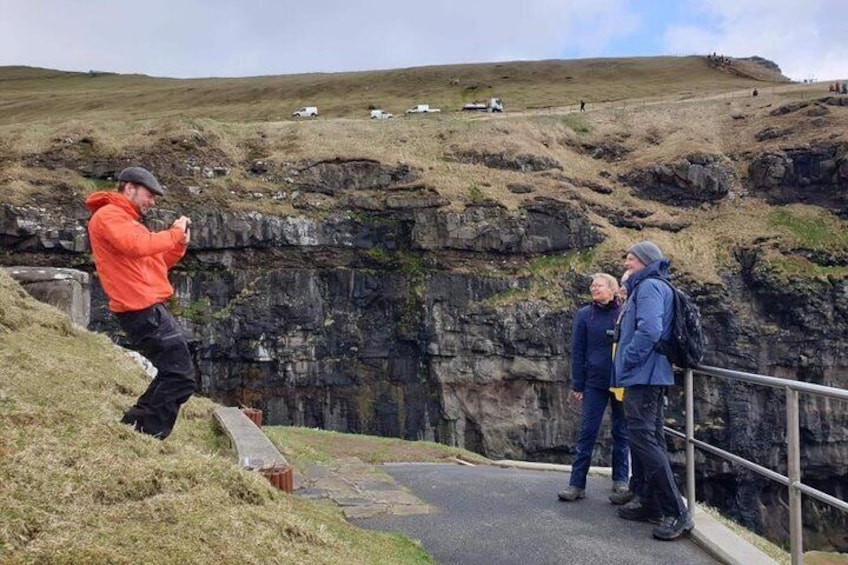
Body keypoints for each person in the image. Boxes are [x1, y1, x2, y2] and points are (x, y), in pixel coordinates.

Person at [86, 166, 196, 440]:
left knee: (175, 372)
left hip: (149, 309)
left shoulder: (126, 221)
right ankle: (146, 433)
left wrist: (178, 244)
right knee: (180, 376)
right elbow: (139, 246)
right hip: (141, 311)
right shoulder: (109, 216)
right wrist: (173, 233)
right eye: (150, 195)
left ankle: (136, 427)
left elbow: (154, 262)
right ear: (130, 188)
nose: (152, 202)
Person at [612, 241, 693, 541]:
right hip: (650, 376)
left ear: (646, 261)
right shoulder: (650, 286)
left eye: (631, 259)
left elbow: (649, 330)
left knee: (645, 442)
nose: (626, 265)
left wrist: (628, 361)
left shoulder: (648, 288)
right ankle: (650, 503)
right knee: (650, 439)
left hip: (644, 378)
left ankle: (677, 512)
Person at [558, 274, 630, 502]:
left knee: (622, 432)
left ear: (612, 289)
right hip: (594, 383)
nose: (593, 288)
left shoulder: (624, 313)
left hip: (620, 382)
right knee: (587, 433)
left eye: (598, 285)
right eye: (592, 286)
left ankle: (621, 481)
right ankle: (576, 484)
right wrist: (578, 384)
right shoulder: (584, 316)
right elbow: (577, 352)